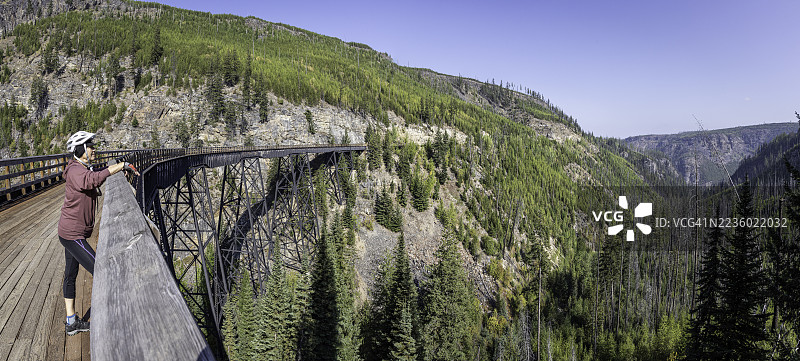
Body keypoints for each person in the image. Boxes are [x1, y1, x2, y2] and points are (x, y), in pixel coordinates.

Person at [57, 131, 139, 335]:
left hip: (71, 232)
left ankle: (71, 322)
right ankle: (113, 318)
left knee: (71, 274)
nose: (94, 149)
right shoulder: (76, 171)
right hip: (72, 234)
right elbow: (91, 180)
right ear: (80, 150)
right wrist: (121, 166)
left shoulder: (82, 167)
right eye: (90, 146)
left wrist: (116, 169)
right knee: (101, 270)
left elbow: (96, 174)